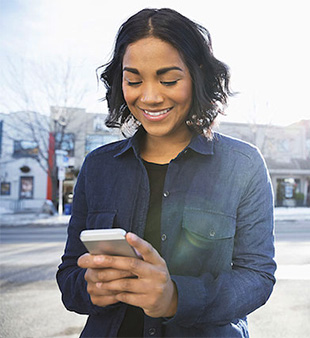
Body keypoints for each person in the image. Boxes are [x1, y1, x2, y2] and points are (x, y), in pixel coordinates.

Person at [56, 8, 276, 338]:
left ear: (197, 75)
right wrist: (88, 289)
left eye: (169, 80)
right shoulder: (98, 167)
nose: (150, 97)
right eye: (133, 80)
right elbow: (70, 273)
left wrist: (176, 298)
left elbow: (258, 277)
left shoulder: (242, 165)